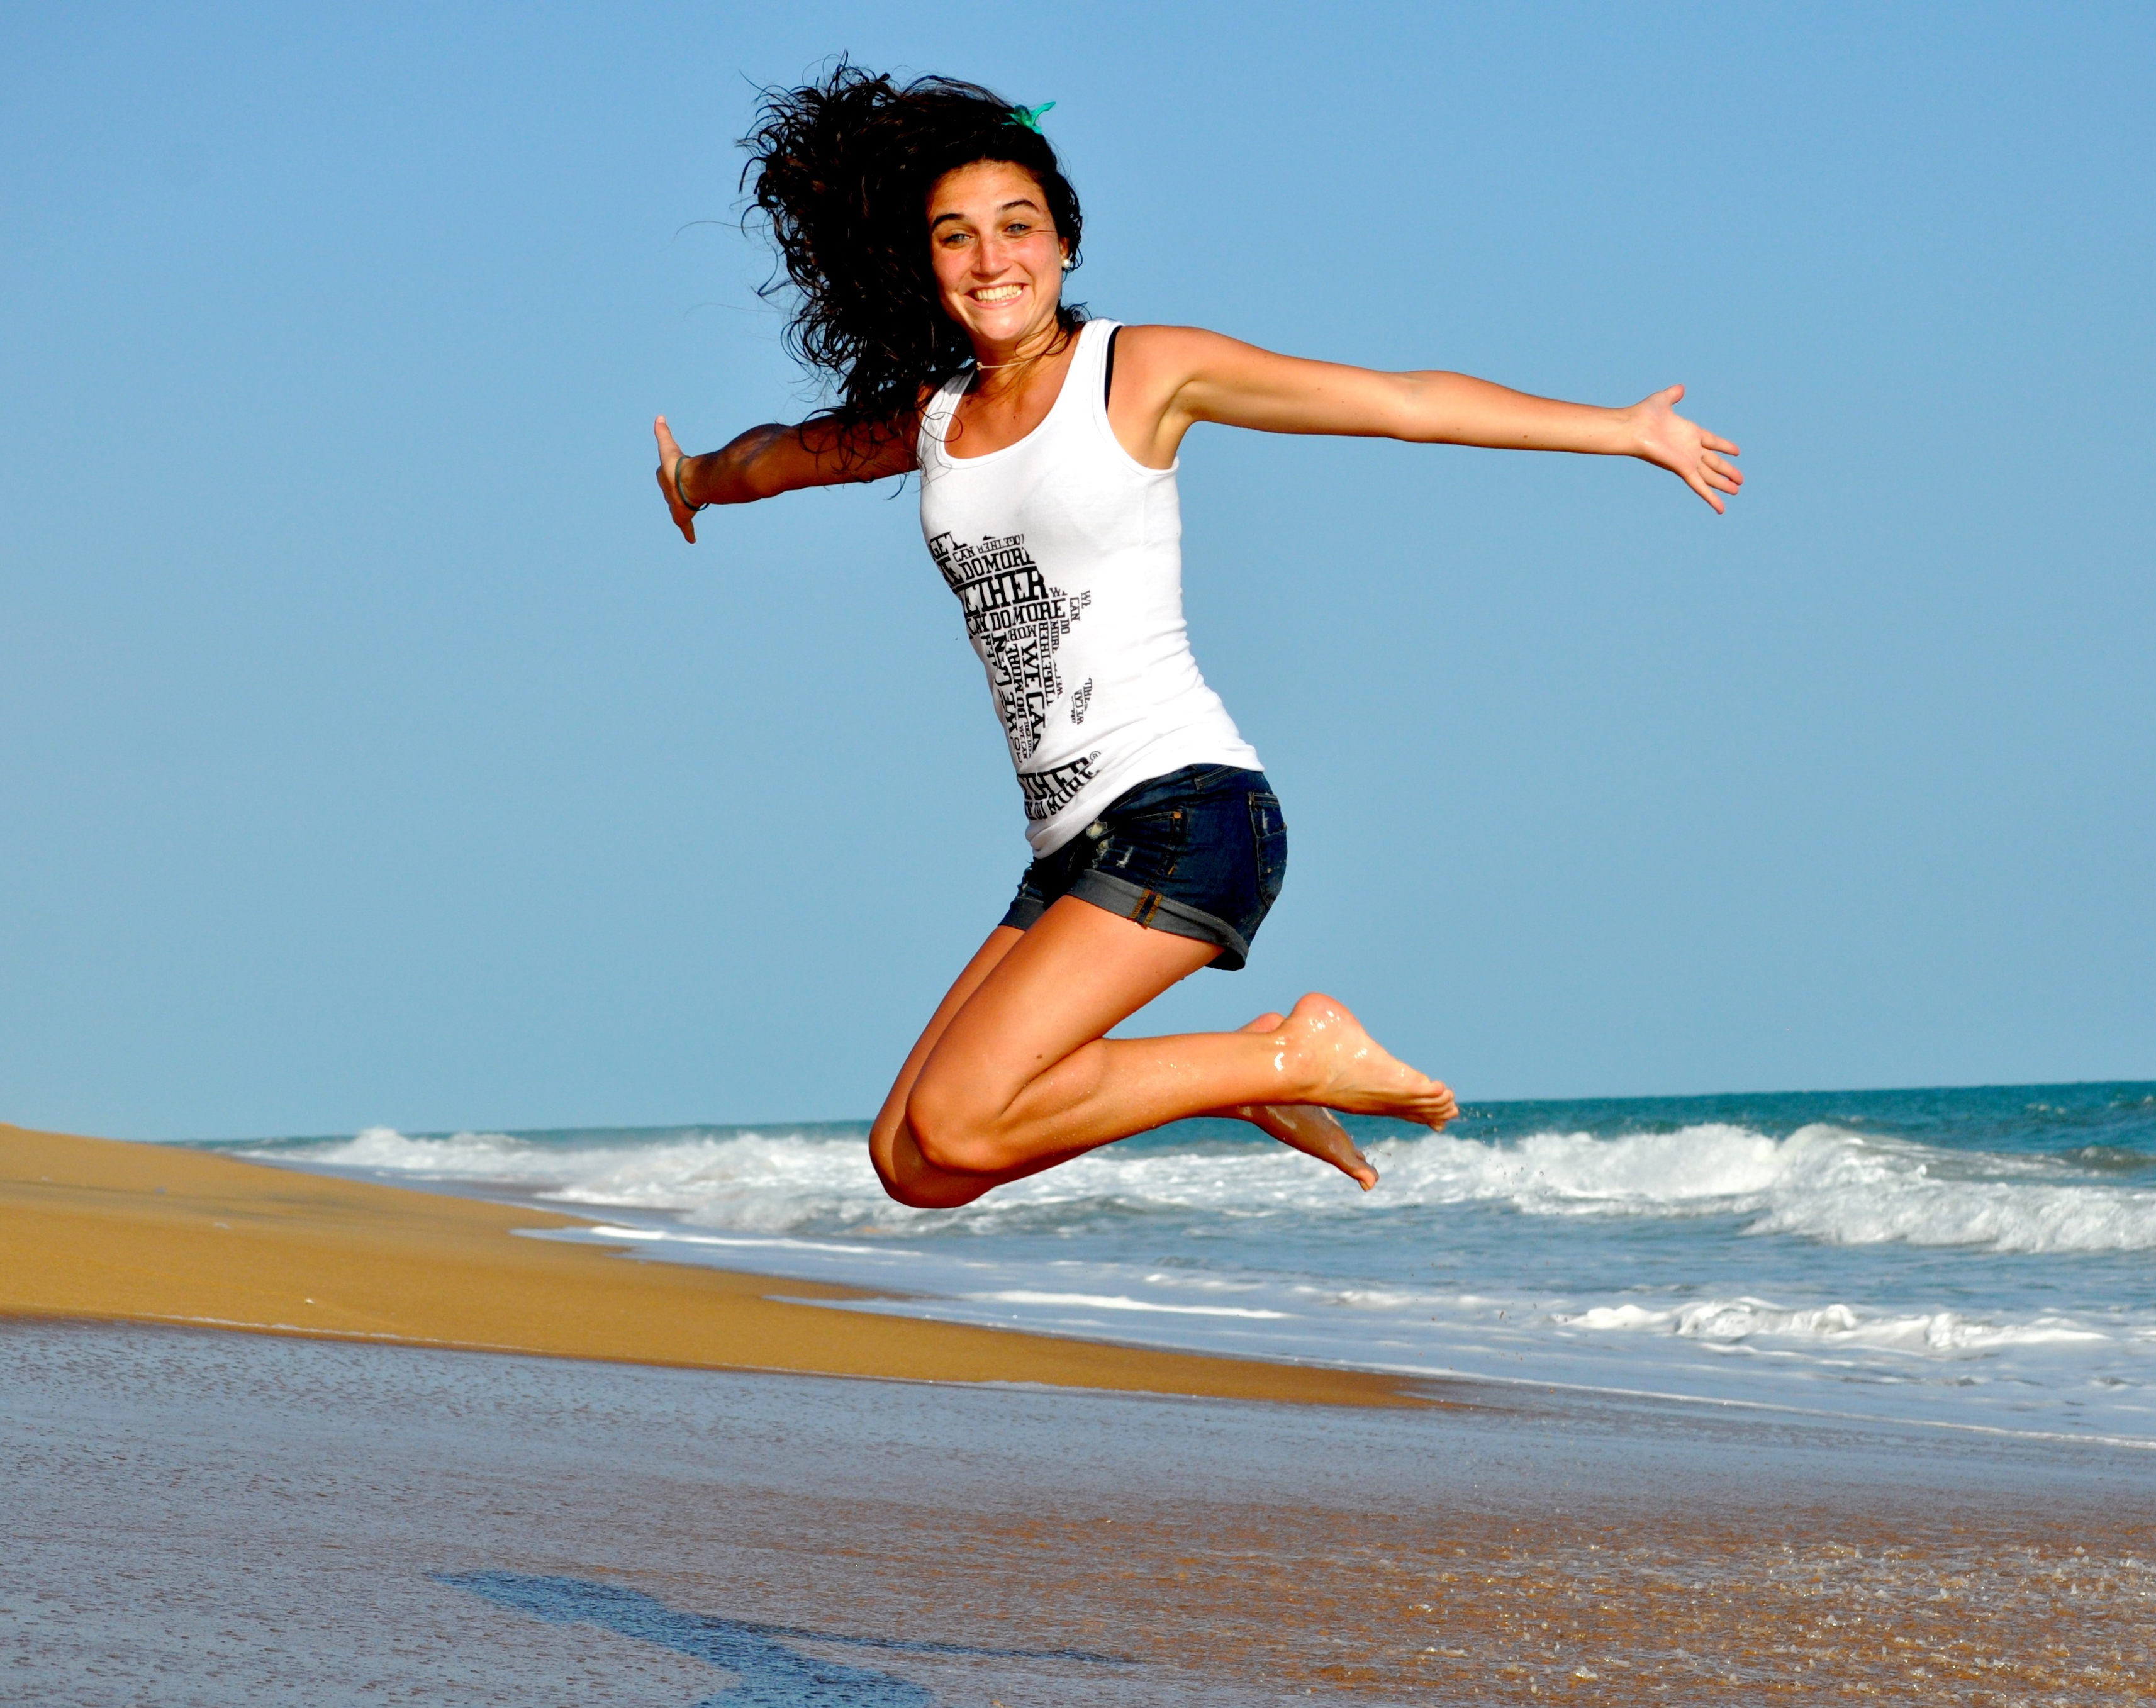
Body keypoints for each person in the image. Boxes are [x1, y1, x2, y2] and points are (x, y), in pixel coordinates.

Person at [652, 67, 1741, 1210]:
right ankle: (1243, 1073)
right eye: (955, 236)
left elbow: (1402, 402)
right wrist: (693, 479)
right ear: (922, 264)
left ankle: (1288, 1057)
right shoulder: (937, 419)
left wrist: (1622, 430)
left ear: (1063, 241)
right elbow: (780, 457)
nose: (991, 259)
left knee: (962, 1117)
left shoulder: (1138, 372)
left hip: (1185, 815)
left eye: (1018, 226)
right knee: (913, 1161)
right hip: (1071, 846)